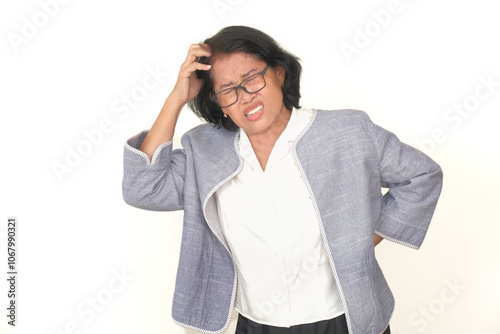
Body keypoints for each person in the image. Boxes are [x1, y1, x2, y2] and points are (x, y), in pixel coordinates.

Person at [122, 25, 443, 334]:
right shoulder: (204, 152)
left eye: (252, 79)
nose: (245, 96)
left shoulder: (348, 131)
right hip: (255, 322)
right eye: (227, 90)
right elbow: (144, 188)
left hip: (345, 318)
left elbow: (421, 175)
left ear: (279, 73)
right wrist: (176, 98)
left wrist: (365, 238)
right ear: (218, 105)